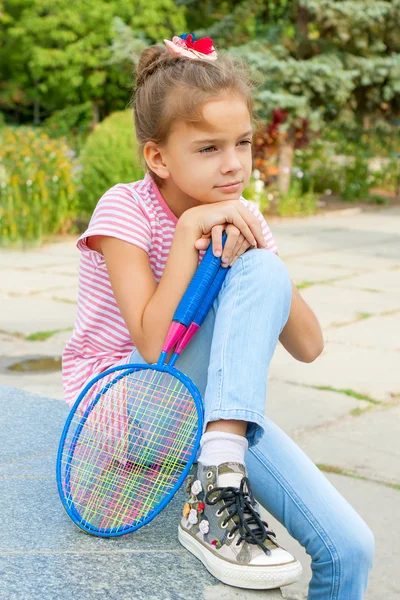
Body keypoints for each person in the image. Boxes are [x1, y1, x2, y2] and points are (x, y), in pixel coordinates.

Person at [62, 33, 375, 597]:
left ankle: (218, 473)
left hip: (211, 419)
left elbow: (308, 345)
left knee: (351, 548)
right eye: (208, 148)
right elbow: (155, 348)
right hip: (129, 408)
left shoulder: (242, 214)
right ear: (157, 156)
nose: (233, 165)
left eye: (243, 143)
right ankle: (217, 484)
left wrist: (257, 253)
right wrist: (189, 231)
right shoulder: (125, 209)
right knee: (248, 275)